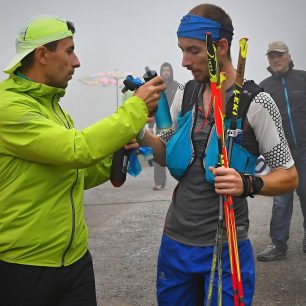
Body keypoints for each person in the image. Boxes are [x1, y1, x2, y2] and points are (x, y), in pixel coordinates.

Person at [137, 4, 298, 305]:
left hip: (226, 247)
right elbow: (165, 151)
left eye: (194, 51)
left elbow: (288, 176)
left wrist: (248, 183)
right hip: (175, 241)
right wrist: (137, 135)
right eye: (181, 50)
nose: (184, 60)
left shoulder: (256, 101)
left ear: (221, 47)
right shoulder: (186, 94)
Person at [0, 15, 165, 306]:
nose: (76, 62)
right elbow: (77, 150)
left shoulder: (55, 110)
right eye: (69, 50)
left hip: (75, 262)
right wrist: (135, 108)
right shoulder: (9, 107)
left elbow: (75, 173)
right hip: (23, 266)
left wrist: (115, 154)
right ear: (41, 55)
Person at [256, 41, 306, 262]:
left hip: (305, 149)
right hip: (281, 153)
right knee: (281, 199)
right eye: (271, 56)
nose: (275, 59)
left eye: (279, 55)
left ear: (288, 56)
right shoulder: (264, 87)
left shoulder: (303, 79)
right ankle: (278, 244)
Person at [148, 62, 179, 191]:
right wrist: (150, 125)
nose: (166, 72)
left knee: (179, 152)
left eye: (168, 70)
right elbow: (155, 107)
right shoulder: (157, 88)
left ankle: (183, 180)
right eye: (164, 70)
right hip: (162, 126)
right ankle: (159, 182)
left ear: (171, 72)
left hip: (176, 125)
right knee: (158, 151)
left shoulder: (177, 87)